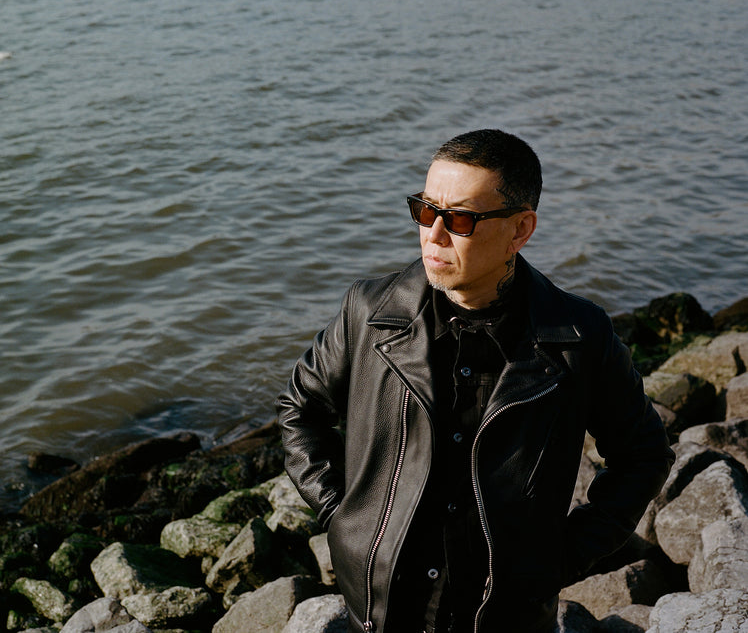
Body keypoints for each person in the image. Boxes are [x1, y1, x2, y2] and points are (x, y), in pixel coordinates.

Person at [276, 129, 674, 633]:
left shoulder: (578, 337)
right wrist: (344, 516)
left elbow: (643, 455)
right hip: (380, 612)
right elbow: (299, 408)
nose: (434, 235)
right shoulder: (369, 312)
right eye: (425, 210)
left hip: (508, 618)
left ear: (520, 229)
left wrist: (561, 558)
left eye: (460, 219)